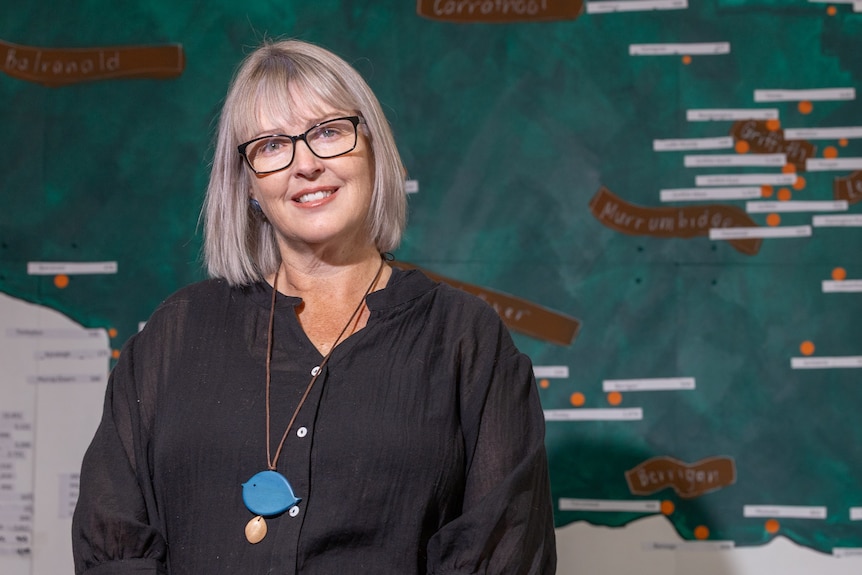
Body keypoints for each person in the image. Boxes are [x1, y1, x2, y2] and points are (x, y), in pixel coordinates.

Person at [71, 39, 556, 574]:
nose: (306, 164)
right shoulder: (176, 333)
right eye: (272, 145)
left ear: (372, 149)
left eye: (327, 132)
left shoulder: (466, 339)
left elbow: (505, 553)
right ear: (249, 184)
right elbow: (113, 539)